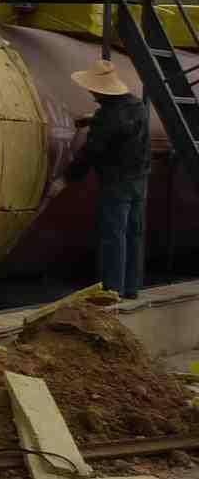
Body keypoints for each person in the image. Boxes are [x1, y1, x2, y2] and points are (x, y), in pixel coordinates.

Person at [65, 58, 151, 299]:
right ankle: (131, 288)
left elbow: (92, 151)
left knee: (114, 235)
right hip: (140, 179)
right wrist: (92, 119)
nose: (92, 93)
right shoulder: (136, 105)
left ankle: (112, 290)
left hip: (116, 182)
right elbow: (122, 124)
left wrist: (68, 177)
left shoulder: (107, 116)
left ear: (101, 90)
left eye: (93, 89)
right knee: (134, 233)